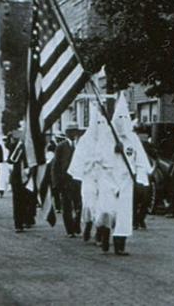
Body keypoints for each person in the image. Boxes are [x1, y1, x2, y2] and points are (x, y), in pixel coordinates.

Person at [106, 93, 148, 254]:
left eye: (125, 117)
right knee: (108, 212)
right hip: (110, 180)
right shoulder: (108, 138)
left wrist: (141, 179)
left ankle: (120, 245)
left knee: (123, 214)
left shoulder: (133, 140)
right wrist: (113, 151)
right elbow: (101, 157)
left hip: (126, 182)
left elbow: (140, 161)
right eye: (120, 117)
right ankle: (103, 236)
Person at [68, 101, 113, 250]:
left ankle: (103, 232)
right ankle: (88, 224)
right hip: (89, 176)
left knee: (106, 206)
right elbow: (79, 162)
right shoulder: (85, 141)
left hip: (105, 176)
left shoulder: (110, 140)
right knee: (90, 204)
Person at [52, 127, 81, 238]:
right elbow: (56, 165)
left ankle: (76, 224)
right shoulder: (61, 146)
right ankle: (70, 230)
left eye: (75, 131)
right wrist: (56, 182)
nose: (74, 133)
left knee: (80, 204)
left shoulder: (80, 146)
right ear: (67, 133)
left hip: (78, 180)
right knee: (67, 206)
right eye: (71, 131)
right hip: (65, 181)